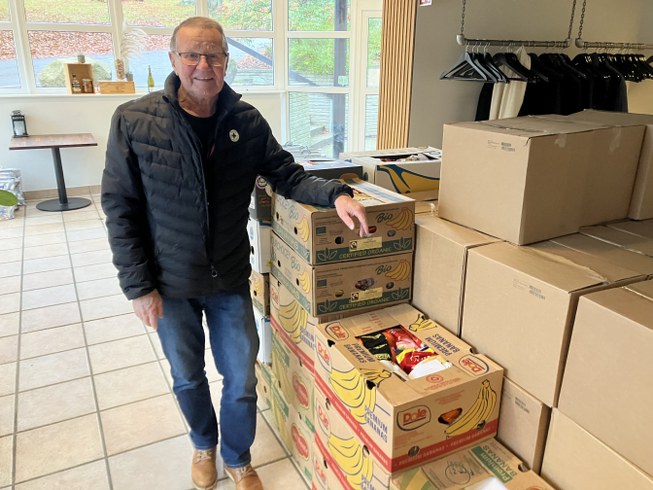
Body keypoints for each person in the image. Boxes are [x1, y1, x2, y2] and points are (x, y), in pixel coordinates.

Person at [101, 16, 368, 490]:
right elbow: (120, 208)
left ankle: (237, 456)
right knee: (187, 376)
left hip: (228, 278)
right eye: (192, 55)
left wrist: (337, 195)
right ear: (173, 59)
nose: (203, 65)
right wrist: (138, 287)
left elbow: (287, 175)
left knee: (241, 377)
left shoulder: (246, 122)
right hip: (169, 281)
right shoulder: (134, 120)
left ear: (226, 61)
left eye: (214, 55)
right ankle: (203, 445)